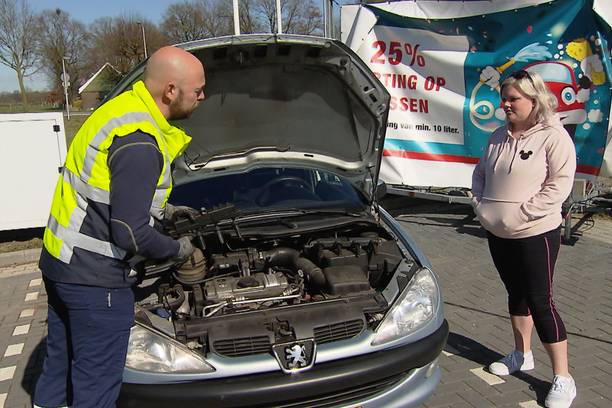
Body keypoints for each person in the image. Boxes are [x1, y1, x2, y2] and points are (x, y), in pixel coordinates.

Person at [33, 46, 205, 408]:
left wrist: (168, 211)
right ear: (171, 91)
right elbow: (129, 233)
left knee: (59, 365)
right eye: (198, 90)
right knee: (95, 385)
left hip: (62, 263)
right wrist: (179, 251)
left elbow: (110, 189)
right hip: (96, 282)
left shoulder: (120, 111)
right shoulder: (140, 140)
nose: (203, 96)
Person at [471, 69, 577, 408]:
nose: (505, 104)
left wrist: (522, 214)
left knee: (540, 301)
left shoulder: (553, 137)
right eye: (503, 98)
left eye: (512, 98)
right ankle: (521, 354)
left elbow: (559, 185)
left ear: (534, 100)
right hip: (497, 232)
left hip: (536, 233)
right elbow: (480, 173)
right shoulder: (497, 136)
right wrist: (480, 207)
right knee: (515, 295)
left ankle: (563, 377)